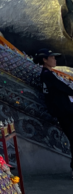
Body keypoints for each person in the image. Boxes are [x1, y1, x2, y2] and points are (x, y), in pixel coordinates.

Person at [36, 48, 73, 177]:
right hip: (64, 112)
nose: (54, 59)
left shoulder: (51, 73)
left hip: (67, 110)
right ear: (44, 60)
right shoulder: (46, 75)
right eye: (51, 57)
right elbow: (61, 88)